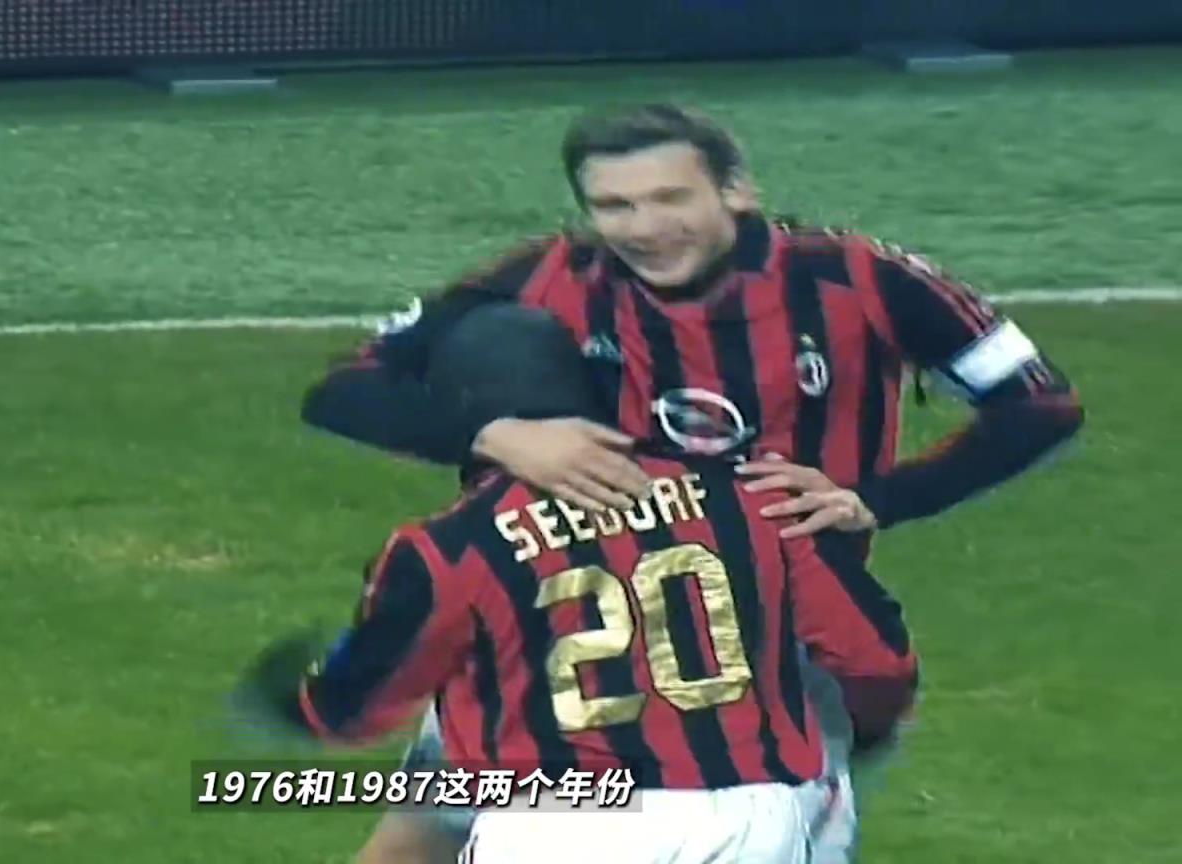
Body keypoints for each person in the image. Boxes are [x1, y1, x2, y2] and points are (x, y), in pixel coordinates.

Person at [300, 102, 1083, 863]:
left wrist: (876, 501)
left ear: (736, 190)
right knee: (418, 841)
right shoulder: (547, 276)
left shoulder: (861, 279)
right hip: (551, 621)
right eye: (615, 206)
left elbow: (1038, 404)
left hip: (777, 639)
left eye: (670, 197)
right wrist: (495, 435)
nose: (645, 226)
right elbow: (344, 390)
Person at [242, 305, 919, 863]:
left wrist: (298, 701)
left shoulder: (449, 548)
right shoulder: (748, 500)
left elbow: (358, 703)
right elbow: (876, 661)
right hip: (750, 817)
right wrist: (863, 729)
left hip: (559, 829)